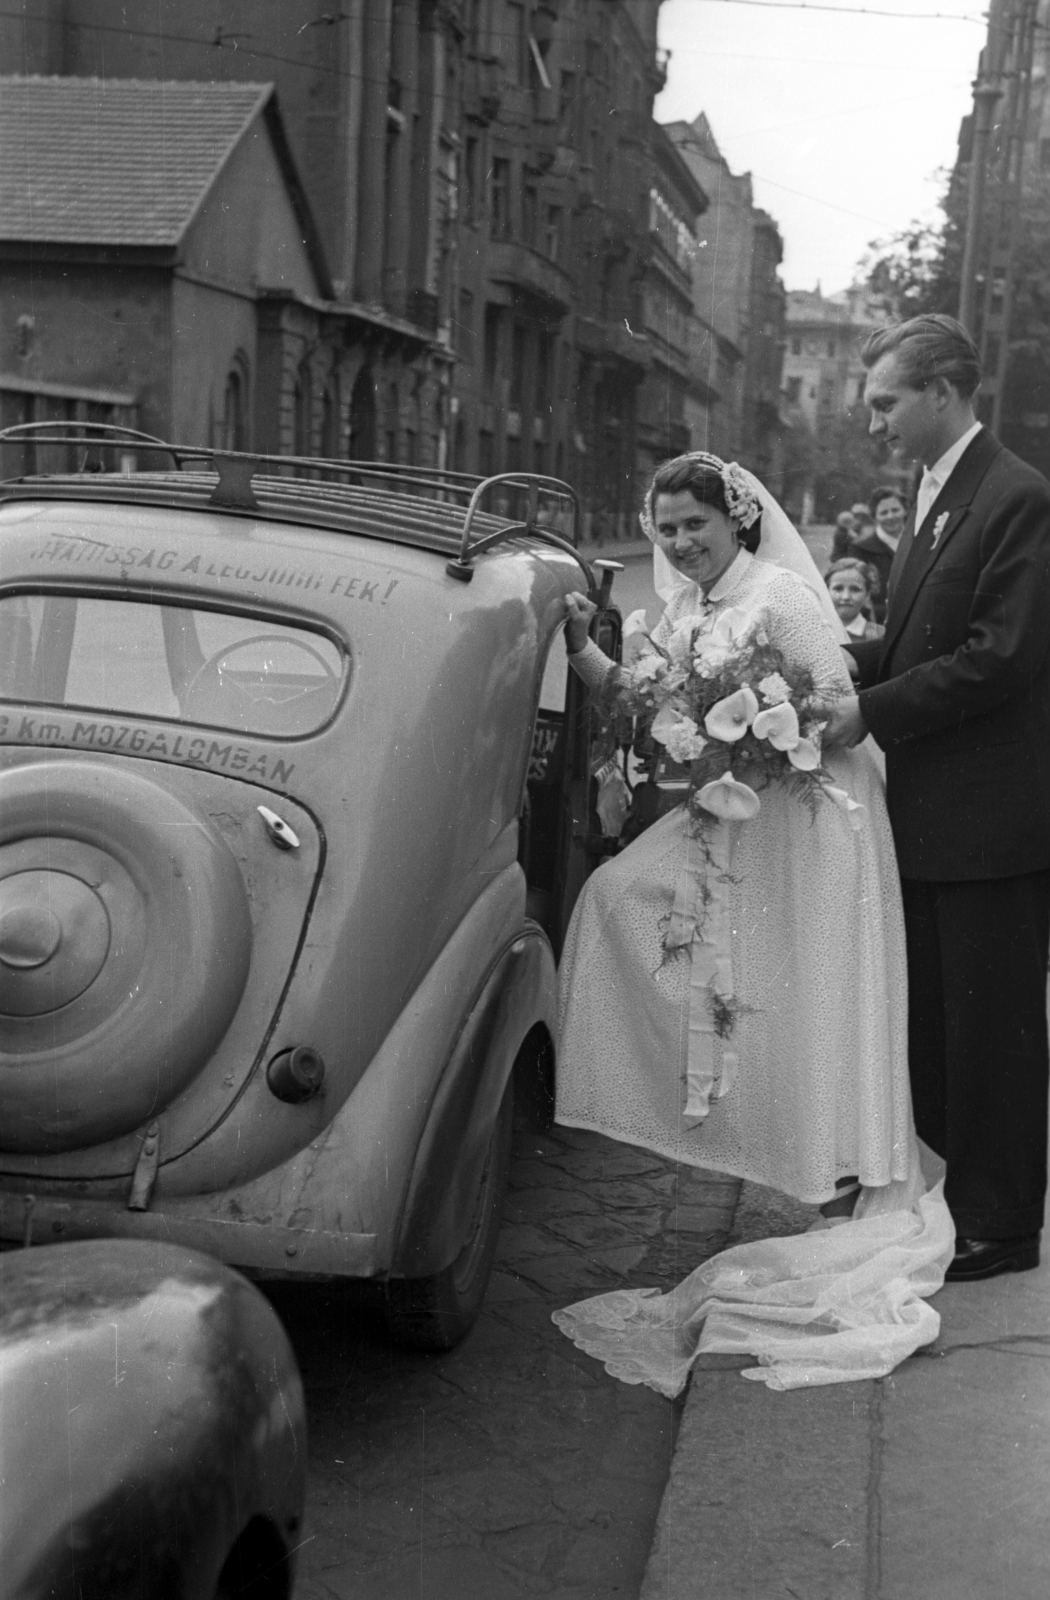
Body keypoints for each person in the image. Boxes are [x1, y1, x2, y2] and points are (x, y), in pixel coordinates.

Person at [550, 452, 952, 1395]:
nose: (681, 544)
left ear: (736, 520)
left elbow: (836, 713)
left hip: (812, 823)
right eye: (667, 530)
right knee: (617, 903)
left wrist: (763, 733)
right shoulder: (685, 609)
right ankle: (734, 1122)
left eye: (695, 525)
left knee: (806, 986)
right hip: (738, 816)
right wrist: (582, 649)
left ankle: (844, 1166)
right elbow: (647, 701)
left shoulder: (782, 598)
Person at [822, 313, 1050, 1282]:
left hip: (991, 820)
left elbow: (997, 659)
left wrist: (866, 709)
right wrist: (831, 664)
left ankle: (1005, 1224)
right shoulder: (935, 489)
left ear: (943, 393)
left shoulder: (1017, 497)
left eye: (886, 402)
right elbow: (919, 636)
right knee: (946, 1020)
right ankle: (963, 1196)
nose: (875, 421)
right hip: (938, 815)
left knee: (994, 1026)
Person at [849, 487, 909, 623]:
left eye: (895, 510)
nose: (890, 516)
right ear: (874, 516)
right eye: (883, 512)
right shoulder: (860, 549)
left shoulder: (918, 543)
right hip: (876, 624)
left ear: (905, 511)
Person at [826, 556, 884, 641]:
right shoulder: (817, 632)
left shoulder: (879, 635)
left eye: (855, 589)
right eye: (838, 589)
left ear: (867, 595)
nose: (846, 597)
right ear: (826, 591)